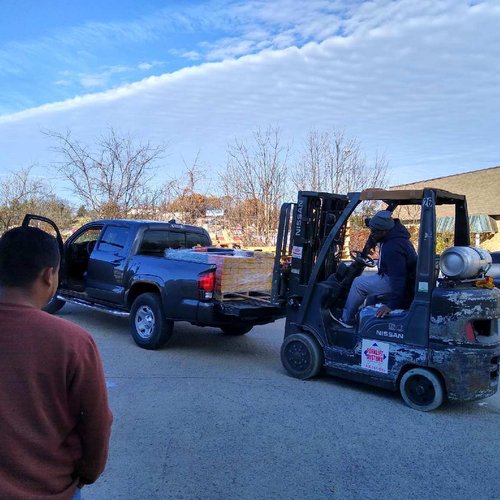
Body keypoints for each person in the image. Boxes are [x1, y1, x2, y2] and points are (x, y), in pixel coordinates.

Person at [0, 226, 113, 499]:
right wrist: (86, 473)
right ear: (49, 275)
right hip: (51, 490)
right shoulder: (73, 342)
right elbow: (96, 423)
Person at [331, 210, 417, 328]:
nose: (372, 234)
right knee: (370, 291)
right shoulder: (395, 236)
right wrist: (371, 243)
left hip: (399, 283)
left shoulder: (392, 248)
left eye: (374, 232)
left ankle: (346, 319)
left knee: (358, 283)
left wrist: (391, 305)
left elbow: (398, 278)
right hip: (397, 278)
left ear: (384, 231)